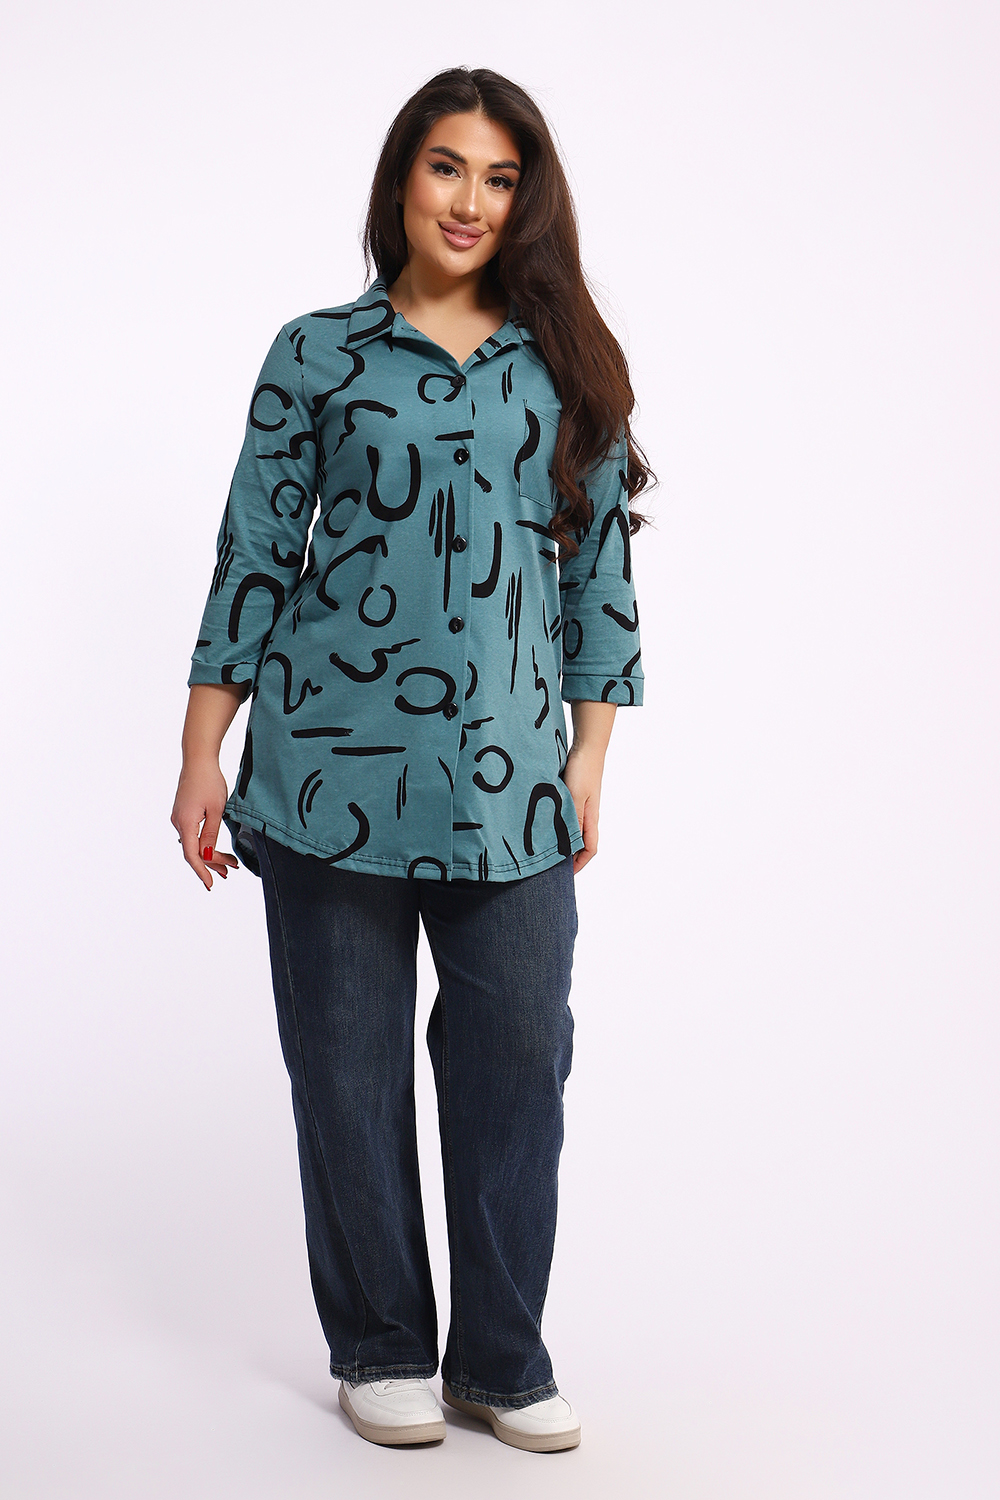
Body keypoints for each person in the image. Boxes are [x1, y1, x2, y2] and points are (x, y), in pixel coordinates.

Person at [171, 65, 653, 1454]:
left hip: (512, 787)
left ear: (527, 201)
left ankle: (500, 1360)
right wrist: (202, 753)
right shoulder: (316, 353)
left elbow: (600, 578)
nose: (471, 201)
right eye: (449, 168)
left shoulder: (565, 364)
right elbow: (254, 557)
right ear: (402, 179)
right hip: (324, 775)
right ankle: (380, 1344)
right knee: (347, 1074)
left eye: (501, 178)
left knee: (517, 1067)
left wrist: (589, 759)